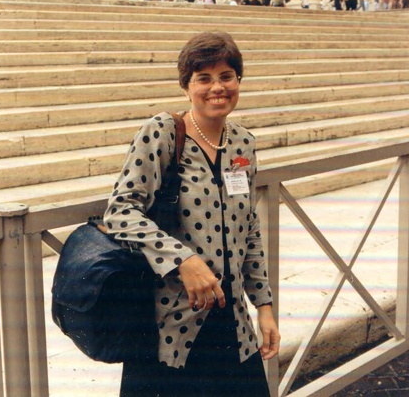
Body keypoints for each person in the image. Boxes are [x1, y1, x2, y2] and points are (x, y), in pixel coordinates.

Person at [103, 31, 280, 397]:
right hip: (171, 327)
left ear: (238, 81)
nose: (217, 87)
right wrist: (183, 260)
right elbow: (121, 211)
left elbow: (249, 228)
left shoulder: (243, 143)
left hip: (233, 326)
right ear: (187, 86)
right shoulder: (164, 132)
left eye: (226, 76)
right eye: (204, 78)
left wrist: (263, 307)